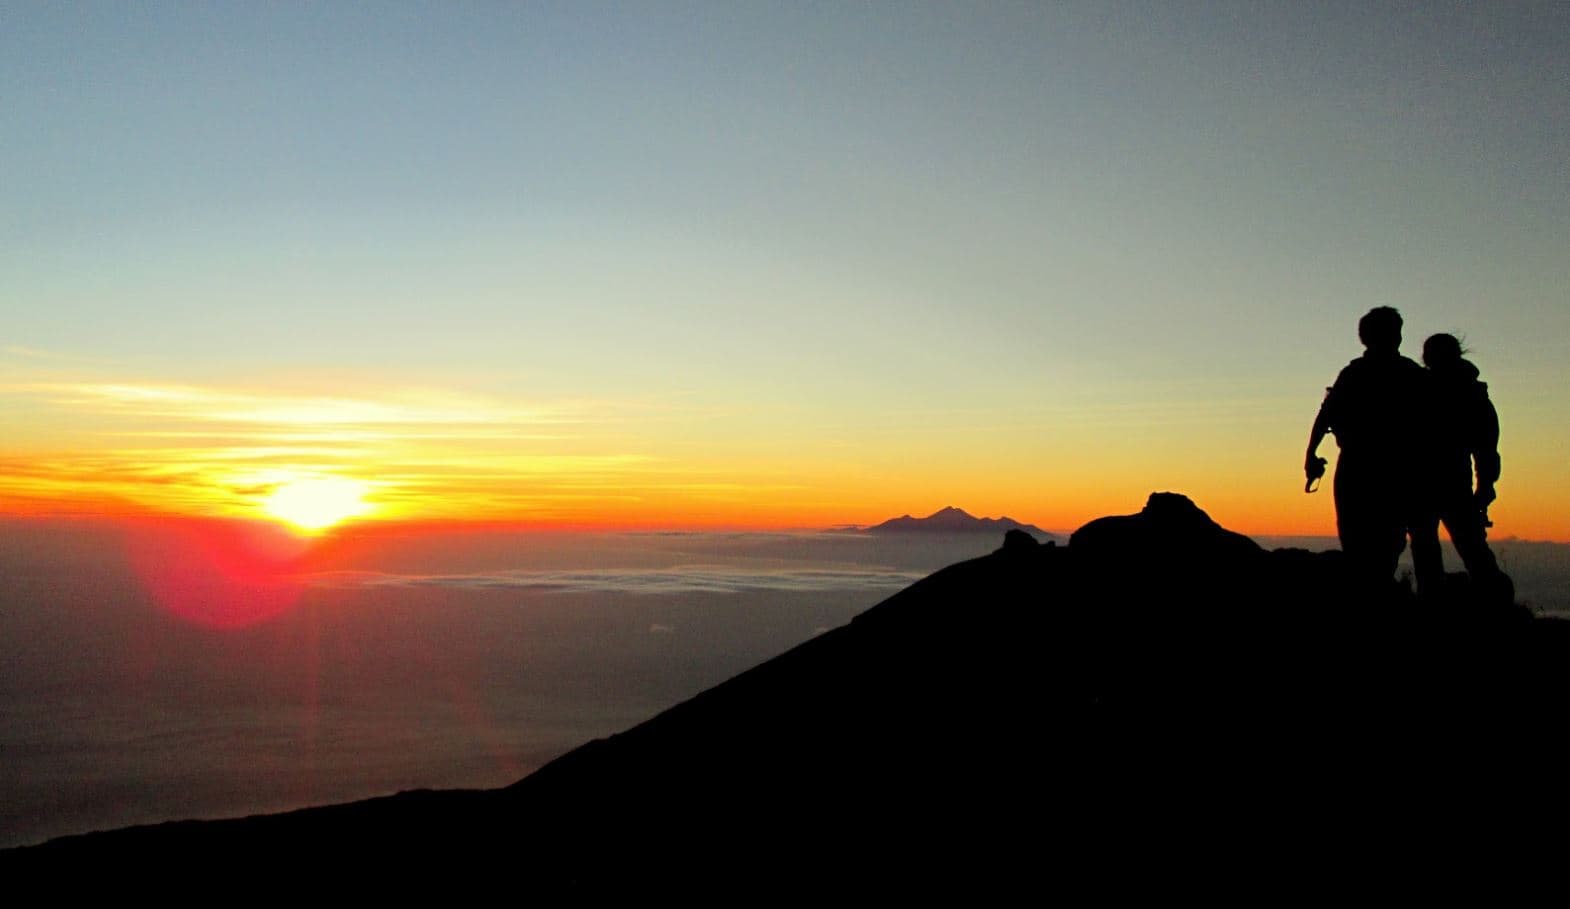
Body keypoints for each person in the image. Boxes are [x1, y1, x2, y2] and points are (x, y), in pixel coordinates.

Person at [1304, 307, 1432, 588]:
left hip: (1365, 467)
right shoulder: (1411, 374)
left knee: (1361, 539)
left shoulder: (1355, 373)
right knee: (1381, 542)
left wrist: (1311, 454)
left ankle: (1370, 593)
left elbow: (1326, 414)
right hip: (1393, 469)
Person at [1408, 333, 1511, 602]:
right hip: (1446, 481)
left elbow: (1485, 446)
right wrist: (1486, 484)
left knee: (1435, 546)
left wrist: (1486, 485)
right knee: (1464, 545)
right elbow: (1486, 447)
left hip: (1431, 482)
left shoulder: (1421, 390)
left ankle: (1442, 601)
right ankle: (1492, 601)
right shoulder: (1471, 394)